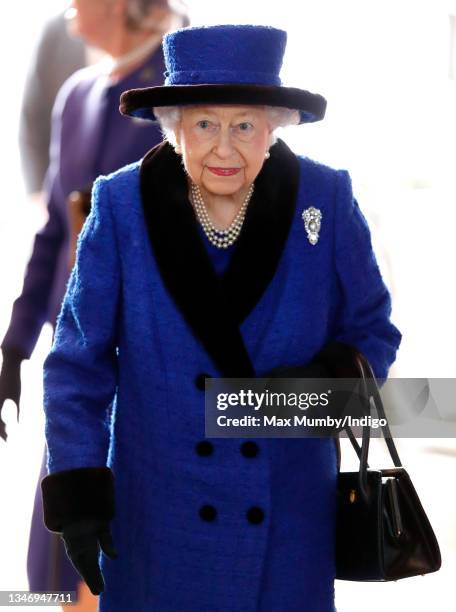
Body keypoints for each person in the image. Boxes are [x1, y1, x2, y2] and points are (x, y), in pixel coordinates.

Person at [39, 24, 402, 612]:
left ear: (275, 126)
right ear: (175, 127)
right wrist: (79, 491)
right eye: (205, 123)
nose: (225, 148)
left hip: (287, 528)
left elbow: (374, 331)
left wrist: (310, 396)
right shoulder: (121, 205)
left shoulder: (326, 199)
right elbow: (78, 366)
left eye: (245, 125)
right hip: (159, 525)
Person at [0, 0, 189, 605]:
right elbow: (55, 230)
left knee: (125, 546)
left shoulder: (178, 88)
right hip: (76, 357)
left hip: (149, 355)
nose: (67, 7)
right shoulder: (77, 94)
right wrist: (15, 345)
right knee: (57, 557)